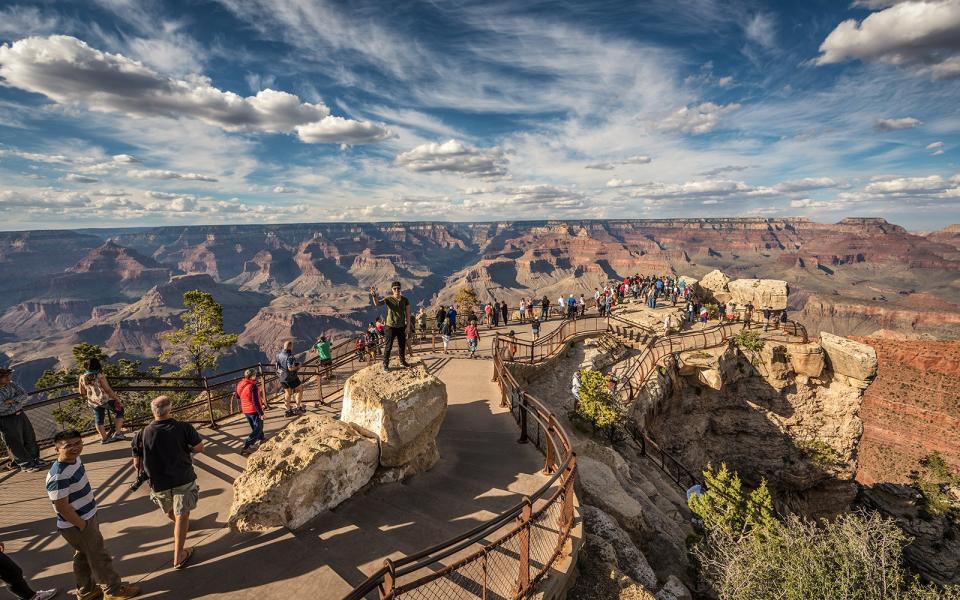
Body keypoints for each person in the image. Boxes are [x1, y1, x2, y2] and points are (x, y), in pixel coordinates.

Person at [46, 430, 140, 600]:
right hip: (77, 524)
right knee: (99, 556)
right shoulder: (58, 475)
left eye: (78, 443)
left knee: (83, 555)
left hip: (86, 517)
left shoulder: (74, 460)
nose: (75, 448)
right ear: (57, 449)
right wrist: (83, 525)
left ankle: (86, 590)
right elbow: (61, 507)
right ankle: (113, 591)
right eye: (68, 446)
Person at [133, 396, 204, 571]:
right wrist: (186, 449)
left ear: (153, 411)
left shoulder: (141, 434)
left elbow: (137, 463)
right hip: (183, 477)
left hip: (158, 482)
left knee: (173, 512)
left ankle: (181, 524)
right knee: (183, 514)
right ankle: (179, 555)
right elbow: (199, 447)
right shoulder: (183, 428)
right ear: (169, 410)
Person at [0, 368, 46, 473]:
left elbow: (24, 396)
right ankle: (26, 464)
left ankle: (35, 459)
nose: (8, 377)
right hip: (6, 419)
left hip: (20, 414)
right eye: (5, 376)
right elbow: (1, 407)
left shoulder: (12, 384)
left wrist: (11, 401)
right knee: (15, 443)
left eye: (8, 375)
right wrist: (16, 402)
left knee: (29, 437)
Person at [78, 359, 126, 444]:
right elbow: (107, 390)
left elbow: (82, 392)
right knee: (120, 410)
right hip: (104, 400)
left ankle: (105, 438)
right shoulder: (99, 376)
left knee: (99, 419)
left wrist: (91, 390)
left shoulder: (82, 377)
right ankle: (118, 433)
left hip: (93, 401)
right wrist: (117, 399)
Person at [370, 282, 412, 370]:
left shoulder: (405, 300)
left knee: (402, 345)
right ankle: (385, 364)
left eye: (398, 288)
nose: (397, 290)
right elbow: (377, 304)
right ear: (392, 290)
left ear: (400, 289)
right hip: (390, 327)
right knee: (388, 346)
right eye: (395, 288)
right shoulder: (389, 299)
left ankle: (402, 361)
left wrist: (408, 327)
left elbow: (408, 314)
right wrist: (374, 296)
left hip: (401, 326)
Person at [236, 370, 265, 455]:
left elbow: (238, 396)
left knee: (255, 426)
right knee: (259, 427)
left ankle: (262, 438)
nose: (256, 376)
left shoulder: (240, 384)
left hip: (245, 410)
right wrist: (261, 413)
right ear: (252, 376)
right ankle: (246, 446)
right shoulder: (253, 386)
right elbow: (255, 402)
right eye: (255, 375)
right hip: (253, 410)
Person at [275, 341, 304, 417]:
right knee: (299, 389)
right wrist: (298, 366)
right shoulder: (290, 356)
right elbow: (290, 368)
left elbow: (277, 365)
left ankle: (288, 410)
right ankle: (298, 408)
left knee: (287, 393)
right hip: (291, 377)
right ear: (291, 347)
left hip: (282, 378)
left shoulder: (278, 355)